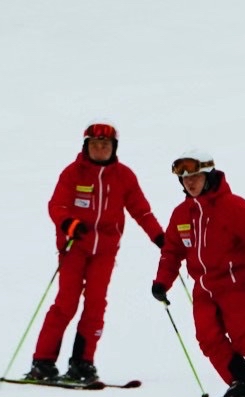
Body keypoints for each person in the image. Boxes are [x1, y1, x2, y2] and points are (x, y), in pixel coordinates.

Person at [151, 151, 245, 397]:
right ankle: (242, 384)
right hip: (204, 289)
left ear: (209, 176)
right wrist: (162, 282)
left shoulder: (231, 206)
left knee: (243, 335)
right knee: (208, 339)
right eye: (185, 178)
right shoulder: (182, 214)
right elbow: (171, 252)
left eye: (196, 176)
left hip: (236, 285)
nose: (190, 182)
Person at [26, 122, 165, 383]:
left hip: (105, 251)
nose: (100, 149)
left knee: (96, 304)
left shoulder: (124, 176)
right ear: (86, 146)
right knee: (66, 303)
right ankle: (42, 363)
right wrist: (69, 224)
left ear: (114, 148)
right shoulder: (72, 173)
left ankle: (83, 363)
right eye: (95, 145)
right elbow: (57, 205)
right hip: (74, 248)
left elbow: (142, 211)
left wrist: (159, 237)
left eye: (105, 145)